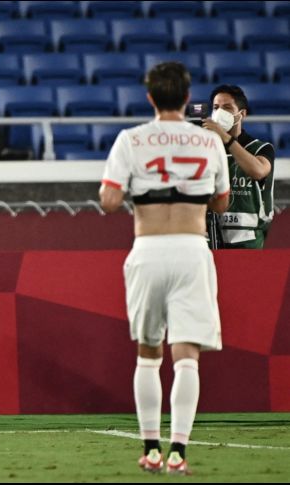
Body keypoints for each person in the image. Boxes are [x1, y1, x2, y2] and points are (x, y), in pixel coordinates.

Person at [99, 62, 230, 475]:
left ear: (150, 97)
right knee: (187, 355)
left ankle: (151, 448)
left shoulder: (131, 139)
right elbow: (222, 203)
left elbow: (109, 201)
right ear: (188, 98)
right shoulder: (209, 143)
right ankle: (179, 452)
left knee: (148, 353)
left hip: (149, 250)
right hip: (192, 249)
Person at [202, 84, 275, 249]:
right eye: (215, 108)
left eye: (227, 108)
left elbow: (258, 171)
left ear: (241, 114)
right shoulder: (207, 148)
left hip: (248, 239)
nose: (220, 112)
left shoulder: (261, 148)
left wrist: (226, 138)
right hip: (211, 236)